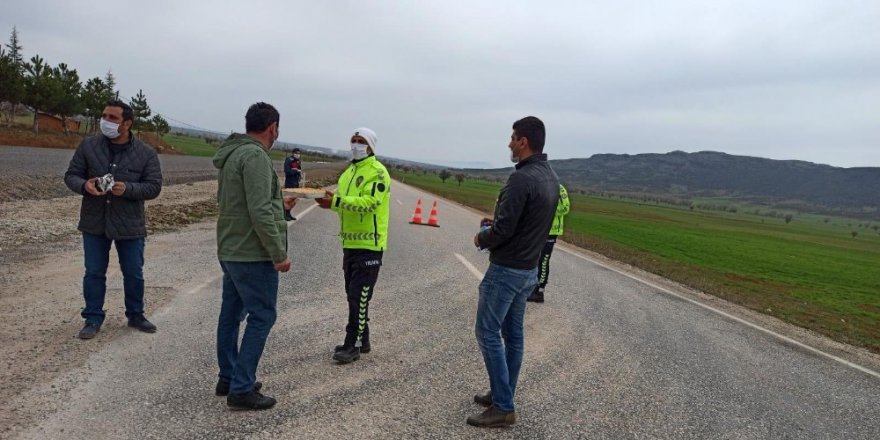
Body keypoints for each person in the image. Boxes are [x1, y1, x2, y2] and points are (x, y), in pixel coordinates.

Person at [469, 116, 559, 427]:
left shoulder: (521, 179)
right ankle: (500, 394)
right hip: (528, 269)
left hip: (507, 269)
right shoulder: (550, 178)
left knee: (487, 332)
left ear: (523, 141)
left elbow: (505, 228)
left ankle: (503, 406)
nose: (509, 143)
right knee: (513, 335)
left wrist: (483, 237)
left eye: (512, 138)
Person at [213, 102, 296, 410]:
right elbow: (259, 210)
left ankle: (229, 376)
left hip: (231, 247)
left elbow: (247, 203)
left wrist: (281, 208)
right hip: (252, 253)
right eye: (277, 128)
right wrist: (278, 253)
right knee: (262, 316)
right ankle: (242, 387)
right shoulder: (256, 157)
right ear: (272, 126)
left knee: (231, 314)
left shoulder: (234, 153)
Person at [64, 100, 163, 340]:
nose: (105, 121)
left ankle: (136, 315)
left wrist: (128, 188)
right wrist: (85, 185)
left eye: (112, 118)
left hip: (130, 224)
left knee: (133, 273)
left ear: (127, 123)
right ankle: (93, 317)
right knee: (94, 272)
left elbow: (154, 187)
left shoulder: (146, 153)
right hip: (94, 222)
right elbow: (71, 176)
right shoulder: (88, 146)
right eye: (104, 116)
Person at [315, 128, 391, 364]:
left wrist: (336, 200)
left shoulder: (378, 172)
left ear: (371, 147)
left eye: (361, 141)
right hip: (349, 243)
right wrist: (331, 203)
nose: (356, 145)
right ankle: (363, 338)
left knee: (359, 297)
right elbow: (346, 205)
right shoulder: (348, 173)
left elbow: (369, 203)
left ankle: (353, 344)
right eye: (353, 140)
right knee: (353, 295)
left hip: (370, 244)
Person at [527, 184, 570, 303]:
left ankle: (540, 291)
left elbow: (565, 207)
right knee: (533, 259)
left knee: (543, 261)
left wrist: (546, 210)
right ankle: (531, 288)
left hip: (551, 231)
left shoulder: (559, 188)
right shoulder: (539, 186)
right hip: (538, 230)